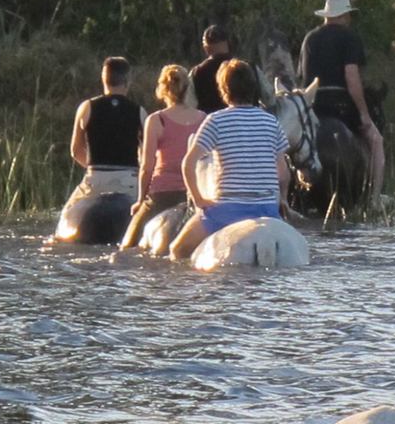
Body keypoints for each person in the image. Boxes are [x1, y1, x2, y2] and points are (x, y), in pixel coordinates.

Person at [169, 59, 290, 262]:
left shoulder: (215, 121)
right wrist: (282, 199)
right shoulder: (271, 121)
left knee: (177, 250)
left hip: (227, 210)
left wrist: (199, 199)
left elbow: (188, 165)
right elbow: (283, 172)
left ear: (224, 89)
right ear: (253, 88)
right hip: (267, 209)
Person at [298, 0, 385, 202]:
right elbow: (352, 77)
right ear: (345, 16)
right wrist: (364, 114)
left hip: (312, 108)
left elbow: (302, 78)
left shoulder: (310, 38)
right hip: (340, 107)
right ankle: (374, 199)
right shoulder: (349, 38)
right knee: (376, 141)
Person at [119, 64, 206, 249]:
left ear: (163, 89)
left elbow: (147, 167)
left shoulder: (156, 120)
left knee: (127, 247)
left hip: (162, 195)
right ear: (187, 88)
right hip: (193, 193)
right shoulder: (203, 119)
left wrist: (141, 200)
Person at [65, 56, 146, 206]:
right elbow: (148, 153)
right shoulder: (139, 112)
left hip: (96, 180)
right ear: (127, 81)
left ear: (103, 79)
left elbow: (75, 151)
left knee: (67, 215)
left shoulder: (86, 107)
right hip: (129, 181)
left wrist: (93, 167)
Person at [189, 25, 232, 114]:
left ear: (206, 47)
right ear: (227, 43)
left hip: (211, 126)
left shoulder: (197, 73)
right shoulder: (250, 67)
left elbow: (189, 106)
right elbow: (268, 98)